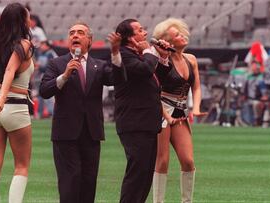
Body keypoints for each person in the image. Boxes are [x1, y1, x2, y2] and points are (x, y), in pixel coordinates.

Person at [39, 21, 125, 203]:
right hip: (65, 133)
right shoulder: (57, 63)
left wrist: (116, 53)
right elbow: (45, 90)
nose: (75, 36)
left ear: (90, 40)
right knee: (70, 181)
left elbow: (118, 79)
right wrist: (64, 76)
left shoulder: (99, 65)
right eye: (72, 33)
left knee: (88, 181)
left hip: (91, 133)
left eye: (80, 33)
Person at [113, 19, 171, 203]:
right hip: (134, 123)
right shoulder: (123, 56)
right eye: (140, 30)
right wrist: (149, 51)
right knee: (137, 173)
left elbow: (156, 80)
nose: (145, 32)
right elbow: (145, 70)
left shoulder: (139, 56)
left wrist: (162, 57)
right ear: (129, 38)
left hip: (147, 123)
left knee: (145, 174)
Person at [0, 3, 34, 203]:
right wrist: (4, 98)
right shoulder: (25, 44)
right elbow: (10, 70)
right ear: (22, 20)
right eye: (27, 16)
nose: (30, 19)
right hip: (13, 106)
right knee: (21, 165)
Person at [151, 18, 207, 203]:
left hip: (181, 112)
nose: (182, 36)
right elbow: (154, 90)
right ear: (168, 41)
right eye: (177, 35)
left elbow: (196, 87)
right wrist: (163, 113)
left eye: (182, 33)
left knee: (188, 161)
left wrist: (196, 108)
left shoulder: (191, 59)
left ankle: (187, 201)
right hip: (162, 110)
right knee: (163, 160)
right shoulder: (162, 61)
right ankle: (158, 201)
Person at [35, 40, 58, 119]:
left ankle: (51, 113)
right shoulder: (42, 53)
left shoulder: (50, 54)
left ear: (48, 46)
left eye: (43, 45)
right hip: (43, 76)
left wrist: (39, 67)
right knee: (41, 95)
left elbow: (50, 67)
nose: (41, 47)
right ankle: (40, 113)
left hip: (51, 77)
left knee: (49, 96)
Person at [242, 60, 268, 126]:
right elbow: (245, 89)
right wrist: (243, 96)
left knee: (256, 104)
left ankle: (257, 121)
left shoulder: (262, 77)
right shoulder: (248, 77)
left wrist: (264, 97)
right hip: (249, 98)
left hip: (258, 99)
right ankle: (247, 123)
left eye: (256, 67)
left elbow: (264, 91)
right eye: (253, 66)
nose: (255, 68)